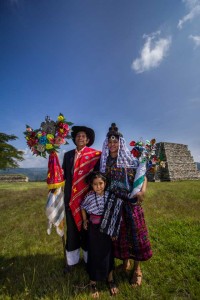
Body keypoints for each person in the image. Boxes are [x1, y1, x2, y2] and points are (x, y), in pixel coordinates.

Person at [100, 123, 152, 287]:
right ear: (107, 144)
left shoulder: (130, 159)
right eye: (110, 142)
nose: (113, 144)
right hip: (114, 203)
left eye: (116, 142)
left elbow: (143, 176)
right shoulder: (105, 161)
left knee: (135, 235)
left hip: (131, 203)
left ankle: (137, 269)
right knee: (121, 236)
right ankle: (125, 262)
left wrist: (143, 192)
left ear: (121, 143)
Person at [62, 126, 101, 267]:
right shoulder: (68, 156)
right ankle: (72, 261)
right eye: (78, 135)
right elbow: (64, 175)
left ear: (88, 140)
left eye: (83, 136)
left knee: (87, 229)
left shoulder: (95, 155)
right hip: (70, 199)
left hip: (87, 199)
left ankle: (87, 259)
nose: (80, 138)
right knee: (71, 230)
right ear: (75, 139)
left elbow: (98, 176)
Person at [81, 171, 118, 298]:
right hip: (94, 230)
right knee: (94, 254)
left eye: (101, 183)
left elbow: (115, 213)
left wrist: (113, 230)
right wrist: (85, 219)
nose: (98, 186)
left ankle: (110, 279)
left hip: (107, 228)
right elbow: (82, 207)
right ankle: (93, 282)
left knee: (108, 253)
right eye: (95, 184)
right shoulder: (89, 196)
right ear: (91, 185)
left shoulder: (110, 196)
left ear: (105, 183)